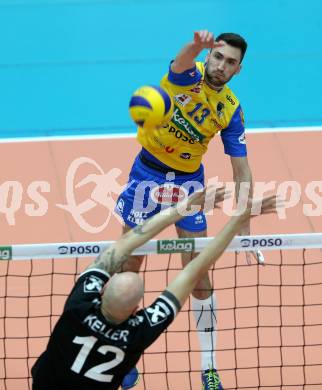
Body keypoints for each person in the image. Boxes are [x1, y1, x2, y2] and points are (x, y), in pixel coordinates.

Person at [115, 30, 257, 388]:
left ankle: (209, 367)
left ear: (238, 70)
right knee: (128, 268)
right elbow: (180, 60)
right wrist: (197, 44)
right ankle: (125, 355)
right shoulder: (185, 75)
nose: (221, 65)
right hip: (146, 175)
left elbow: (241, 168)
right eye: (218, 57)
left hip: (187, 185)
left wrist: (244, 220)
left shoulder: (230, 109)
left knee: (197, 273)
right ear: (208, 56)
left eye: (230, 62)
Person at [31, 186, 278, 390]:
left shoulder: (79, 305)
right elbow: (193, 271)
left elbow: (128, 242)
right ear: (136, 310)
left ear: (102, 290)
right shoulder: (138, 332)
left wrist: (179, 210)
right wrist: (236, 222)